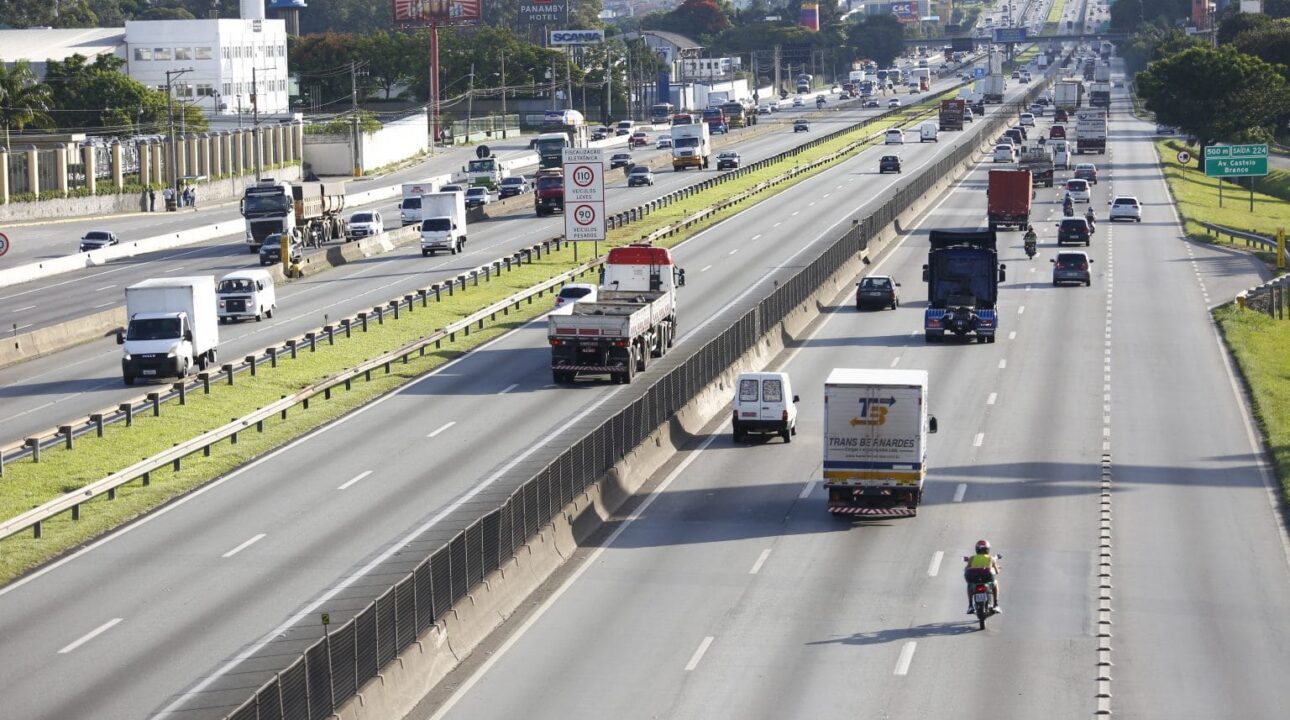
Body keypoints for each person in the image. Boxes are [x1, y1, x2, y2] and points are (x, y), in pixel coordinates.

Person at [965, 539, 1001, 614]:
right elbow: (996, 571)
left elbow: (967, 568)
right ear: (988, 549)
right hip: (987, 579)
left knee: (969, 586)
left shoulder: (972, 558)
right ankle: (996, 604)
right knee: (995, 583)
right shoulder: (991, 558)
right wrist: (998, 569)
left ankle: (970, 605)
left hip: (974, 580)